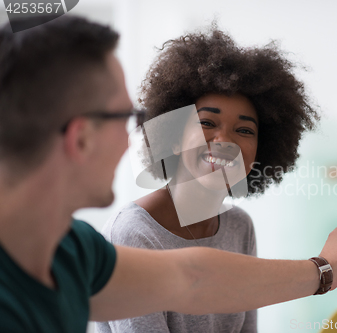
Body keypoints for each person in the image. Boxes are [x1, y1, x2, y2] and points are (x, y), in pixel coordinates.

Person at [0, 15, 337, 333]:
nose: (134, 135)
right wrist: (321, 269)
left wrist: (324, 267)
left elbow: (192, 278)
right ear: (81, 138)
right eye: (128, 117)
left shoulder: (74, 252)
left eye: (244, 129)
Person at [96, 27, 320, 333]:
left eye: (244, 130)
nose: (224, 140)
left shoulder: (240, 227)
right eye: (207, 123)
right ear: (173, 137)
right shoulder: (133, 234)